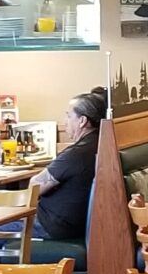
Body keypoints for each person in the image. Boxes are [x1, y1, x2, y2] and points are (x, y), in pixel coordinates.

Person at [30, 86, 106, 243]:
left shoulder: (76, 153)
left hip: (51, 226)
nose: (65, 122)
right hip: (71, 224)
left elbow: (34, 186)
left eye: (69, 116)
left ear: (82, 121)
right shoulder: (101, 143)